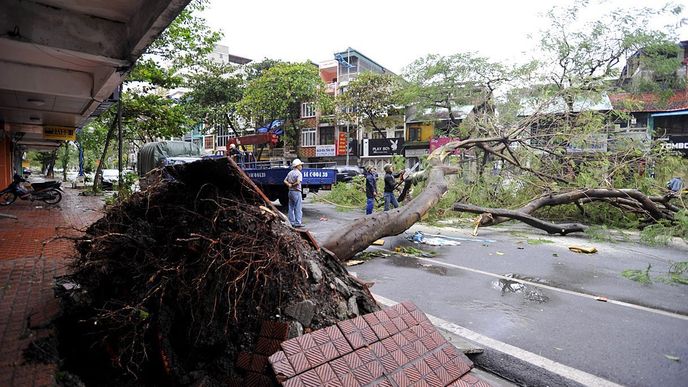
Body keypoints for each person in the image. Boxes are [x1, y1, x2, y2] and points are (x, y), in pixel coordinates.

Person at [284, 159, 304, 227]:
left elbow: (285, 181)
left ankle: (291, 222)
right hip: (296, 192)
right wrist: (293, 185)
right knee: (298, 208)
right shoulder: (299, 173)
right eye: (300, 165)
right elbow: (298, 182)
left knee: (291, 207)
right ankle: (298, 223)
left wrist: (289, 185)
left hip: (290, 192)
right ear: (297, 166)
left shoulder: (290, 173)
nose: (301, 166)